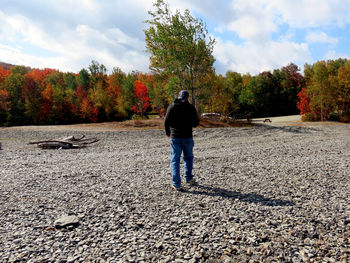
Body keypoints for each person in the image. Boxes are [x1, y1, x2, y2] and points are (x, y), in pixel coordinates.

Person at [164, 90, 200, 191]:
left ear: (179, 96)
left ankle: (176, 184)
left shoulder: (172, 106)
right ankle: (188, 178)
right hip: (188, 136)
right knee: (188, 158)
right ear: (187, 97)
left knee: (175, 160)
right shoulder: (191, 107)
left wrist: (168, 132)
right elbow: (195, 123)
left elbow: (166, 121)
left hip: (175, 137)